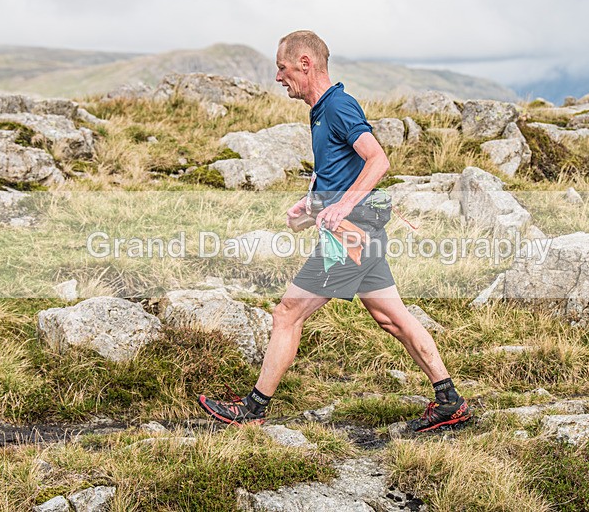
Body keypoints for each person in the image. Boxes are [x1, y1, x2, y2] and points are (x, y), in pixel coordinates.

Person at [198, 30, 471, 433]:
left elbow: (377, 160)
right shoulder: (321, 110)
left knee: (287, 313)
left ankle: (253, 409)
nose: (278, 77)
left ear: (305, 63)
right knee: (392, 318)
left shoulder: (339, 106)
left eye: (282, 67)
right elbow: (337, 170)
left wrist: (341, 207)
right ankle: (450, 401)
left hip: (352, 235)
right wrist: (309, 205)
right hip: (361, 231)